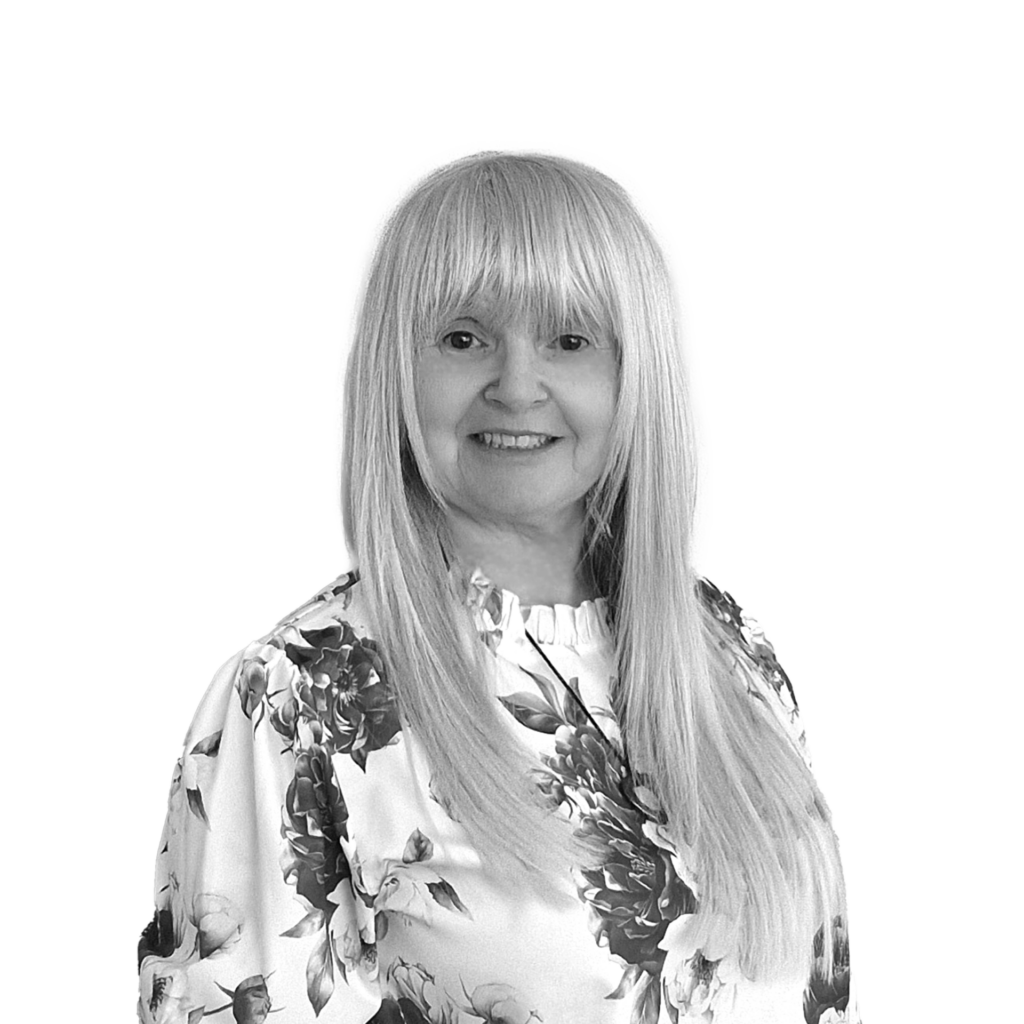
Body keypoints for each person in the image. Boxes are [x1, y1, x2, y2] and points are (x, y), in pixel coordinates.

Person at [136, 144, 858, 1023]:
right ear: (395, 368)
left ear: (640, 373)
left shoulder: (729, 648)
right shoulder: (292, 700)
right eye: (463, 338)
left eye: (570, 340)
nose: (517, 387)